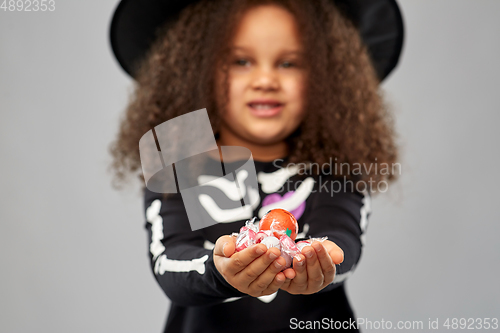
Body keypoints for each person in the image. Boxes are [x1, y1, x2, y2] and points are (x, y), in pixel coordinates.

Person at [109, 0, 404, 331]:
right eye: (241, 61)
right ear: (196, 68)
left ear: (327, 76)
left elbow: (341, 237)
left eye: (289, 63)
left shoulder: (334, 162)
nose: (265, 79)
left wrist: (323, 259)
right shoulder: (178, 157)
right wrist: (220, 272)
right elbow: (169, 263)